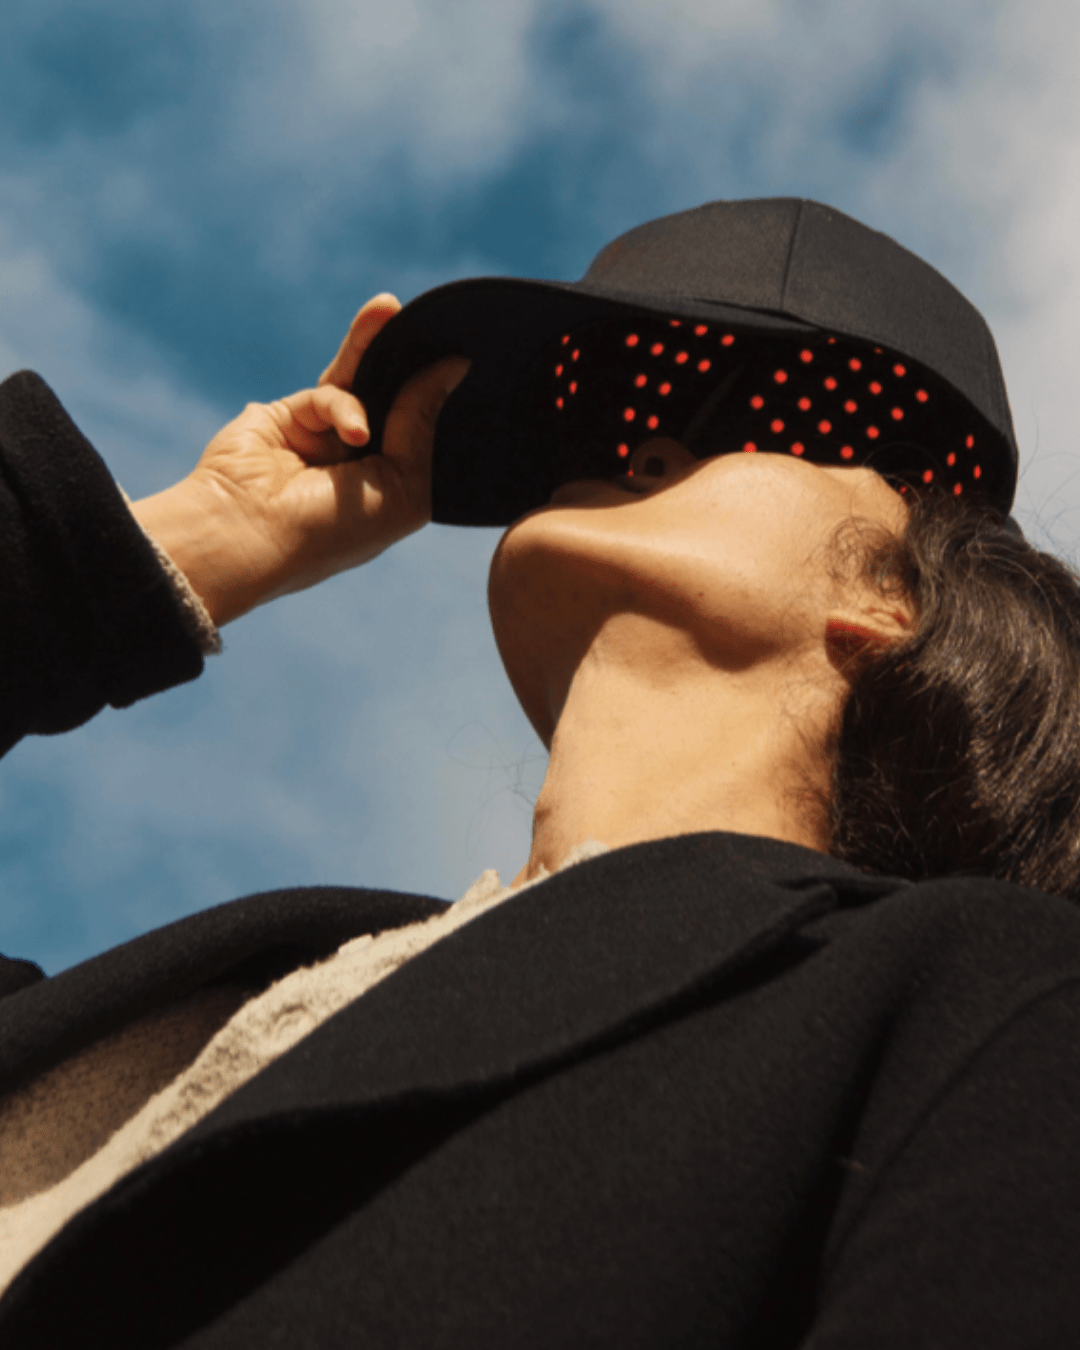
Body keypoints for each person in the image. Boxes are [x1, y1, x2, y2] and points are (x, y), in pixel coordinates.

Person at [0, 198, 1078, 1348]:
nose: (644, 447)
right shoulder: (232, 989)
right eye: (606, 420)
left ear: (900, 595)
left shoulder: (991, 1004)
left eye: (765, 420)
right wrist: (186, 539)